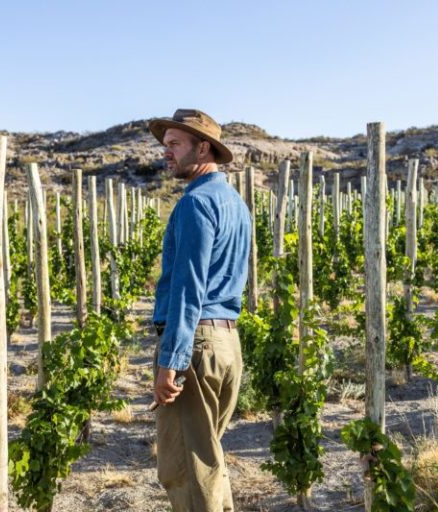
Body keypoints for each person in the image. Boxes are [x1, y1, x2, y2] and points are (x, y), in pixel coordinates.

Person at [149, 109, 251, 511]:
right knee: (208, 463)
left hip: (195, 347)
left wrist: (169, 362)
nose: (166, 153)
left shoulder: (195, 204)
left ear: (203, 147)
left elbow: (188, 290)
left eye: (175, 144)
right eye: (165, 145)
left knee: (187, 471)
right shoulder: (234, 204)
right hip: (225, 345)